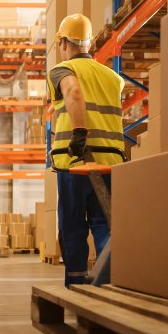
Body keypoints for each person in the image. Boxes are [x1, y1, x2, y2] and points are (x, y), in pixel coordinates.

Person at [47, 14, 126, 287]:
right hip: (110, 161)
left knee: (72, 225)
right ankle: (106, 282)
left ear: (64, 42)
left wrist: (79, 135)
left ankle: (77, 283)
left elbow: (74, 94)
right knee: (104, 223)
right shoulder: (113, 78)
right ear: (89, 44)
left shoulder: (62, 70)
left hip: (76, 160)